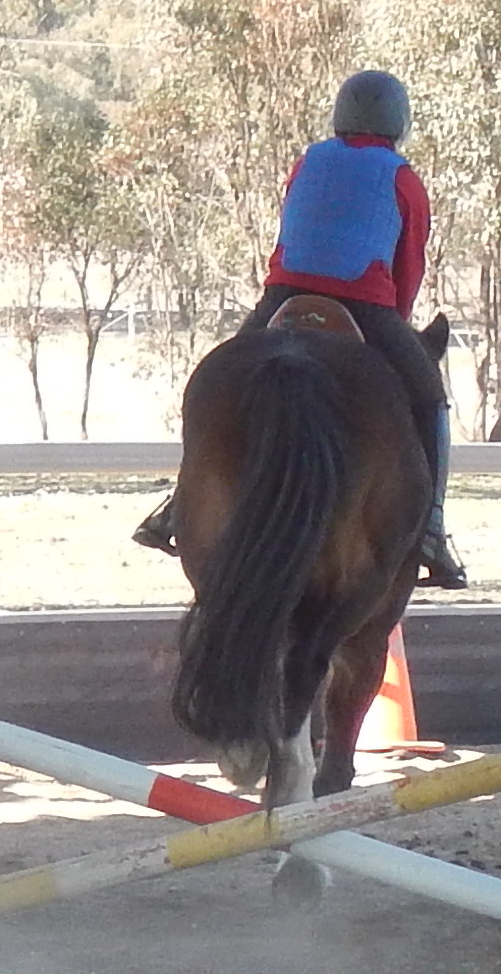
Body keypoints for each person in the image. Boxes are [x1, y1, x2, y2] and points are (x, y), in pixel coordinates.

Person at [136, 67, 467, 589]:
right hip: (366, 302)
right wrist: (395, 322)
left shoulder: (307, 161)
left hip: (284, 294)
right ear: (399, 122)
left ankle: (179, 506)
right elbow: (409, 265)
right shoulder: (403, 178)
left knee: (216, 384)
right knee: (430, 401)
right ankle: (432, 530)